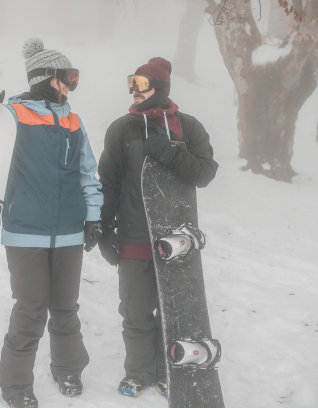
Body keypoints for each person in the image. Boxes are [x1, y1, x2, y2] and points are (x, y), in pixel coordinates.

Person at [0, 38, 103, 408]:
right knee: (31, 307)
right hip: (25, 229)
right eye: (70, 77)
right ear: (47, 77)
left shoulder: (73, 121)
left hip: (68, 231)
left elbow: (87, 173)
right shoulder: (13, 114)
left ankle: (68, 368)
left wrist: (92, 217)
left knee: (65, 305)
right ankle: (15, 386)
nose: (74, 84)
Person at [97, 57, 218, 398]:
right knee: (135, 310)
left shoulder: (187, 127)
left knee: (173, 313)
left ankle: (168, 373)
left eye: (141, 84)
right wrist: (105, 229)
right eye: (131, 83)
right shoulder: (121, 129)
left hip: (176, 242)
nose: (134, 91)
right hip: (134, 237)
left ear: (161, 88)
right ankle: (138, 372)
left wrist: (171, 154)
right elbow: (107, 182)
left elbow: (206, 173)